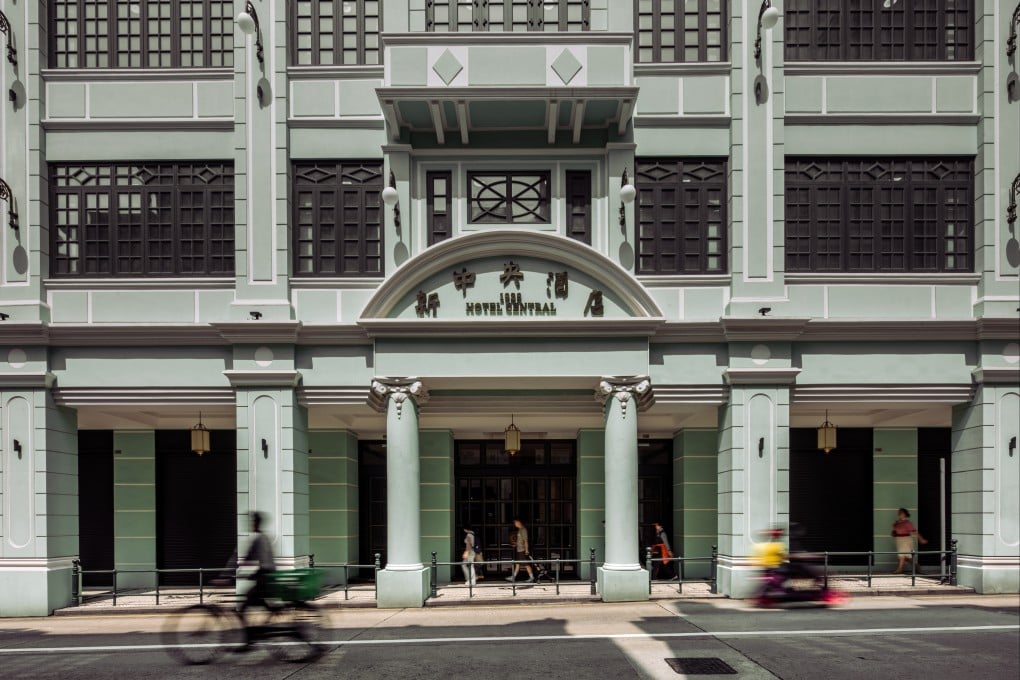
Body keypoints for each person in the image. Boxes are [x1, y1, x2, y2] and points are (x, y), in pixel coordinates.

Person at [236, 511, 276, 650]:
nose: (250, 525)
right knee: (263, 604)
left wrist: (231, 574)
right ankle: (261, 629)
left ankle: (249, 640)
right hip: (266, 576)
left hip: (264, 577)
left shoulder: (258, 538)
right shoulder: (264, 537)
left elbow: (247, 557)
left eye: (252, 522)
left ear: (256, 523)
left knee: (242, 608)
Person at [892, 508, 927, 574]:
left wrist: (921, 539)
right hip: (899, 540)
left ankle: (899, 569)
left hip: (905, 540)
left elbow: (915, 531)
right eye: (899, 512)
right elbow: (894, 533)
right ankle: (916, 566)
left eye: (901, 513)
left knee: (902, 555)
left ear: (905, 514)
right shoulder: (897, 523)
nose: (899, 514)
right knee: (906, 556)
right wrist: (894, 528)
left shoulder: (908, 523)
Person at [506, 518, 534, 582]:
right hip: (519, 550)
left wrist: (526, 550)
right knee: (517, 564)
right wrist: (515, 544)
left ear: (519, 522)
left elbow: (525, 541)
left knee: (526, 564)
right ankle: (513, 577)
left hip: (522, 550)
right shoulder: (520, 530)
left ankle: (531, 577)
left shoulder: (523, 530)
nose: (514, 524)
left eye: (515, 522)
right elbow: (520, 541)